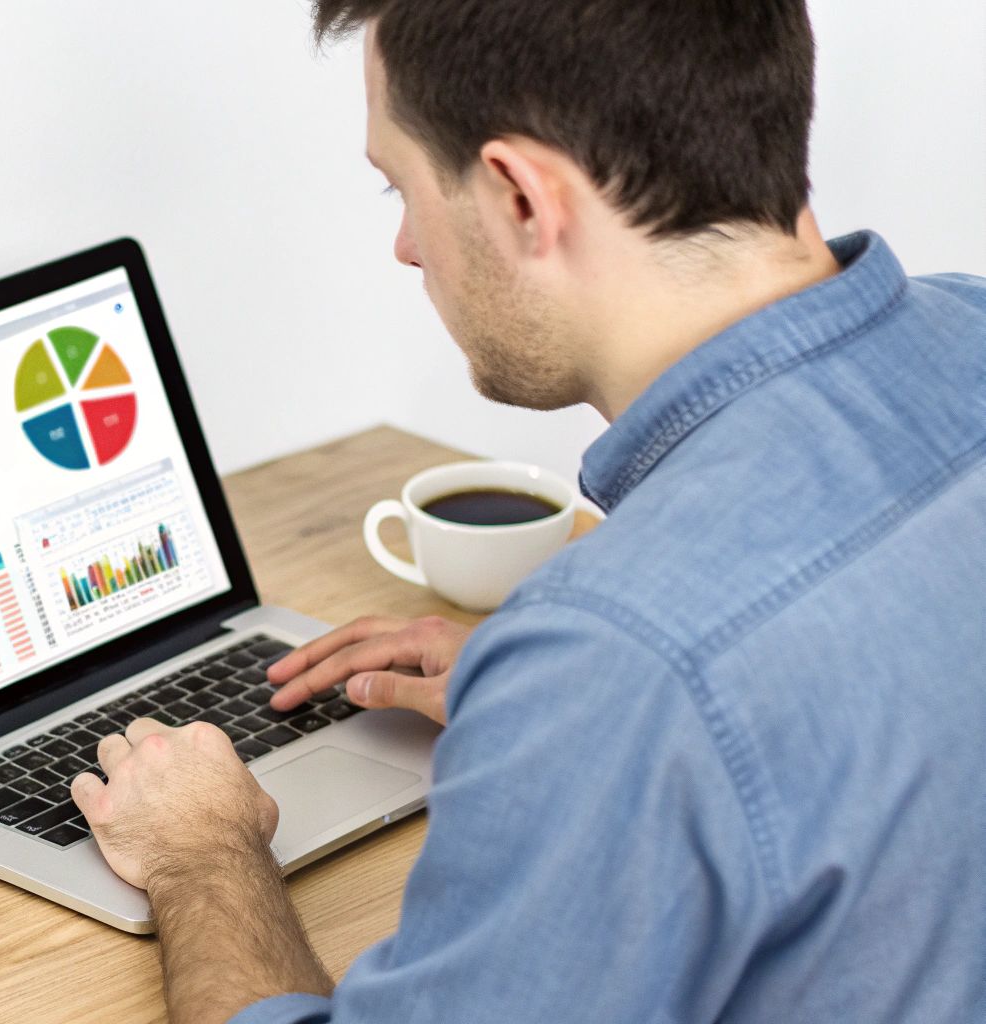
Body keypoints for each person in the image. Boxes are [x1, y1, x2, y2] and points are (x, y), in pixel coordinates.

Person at [66, 1, 986, 1021]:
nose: (406, 247)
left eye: (400, 187)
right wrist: (569, 721)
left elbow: (679, 663)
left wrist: (202, 855)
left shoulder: (621, 662)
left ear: (517, 195)